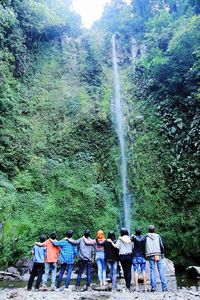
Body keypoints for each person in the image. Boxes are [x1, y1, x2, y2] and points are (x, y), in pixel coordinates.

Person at [146, 225, 168, 292]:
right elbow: (162, 246)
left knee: (152, 270)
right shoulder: (158, 236)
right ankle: (164, 288)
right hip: (158, 254)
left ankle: (153, 288)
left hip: (150, 254)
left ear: (148, 230)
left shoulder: (146, 236)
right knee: (161, 270)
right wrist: (162, 253)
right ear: (154, 230)